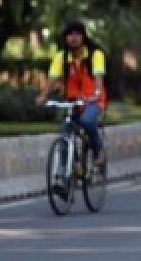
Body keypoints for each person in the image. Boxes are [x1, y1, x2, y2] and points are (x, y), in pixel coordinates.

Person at [36, 20, 107, 165]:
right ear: (65, 38)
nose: (73, 38)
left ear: (83, 37)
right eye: (70, 34)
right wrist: (43, 96)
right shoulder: (61, 57)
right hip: (72, 101)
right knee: (64, 132)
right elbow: (52, 80)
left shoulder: (95, 54)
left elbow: (99, 79)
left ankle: (98, 150)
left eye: (77, 34)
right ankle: (63, 175)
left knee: (87, 121)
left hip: (93, 100)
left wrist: (96, 94)